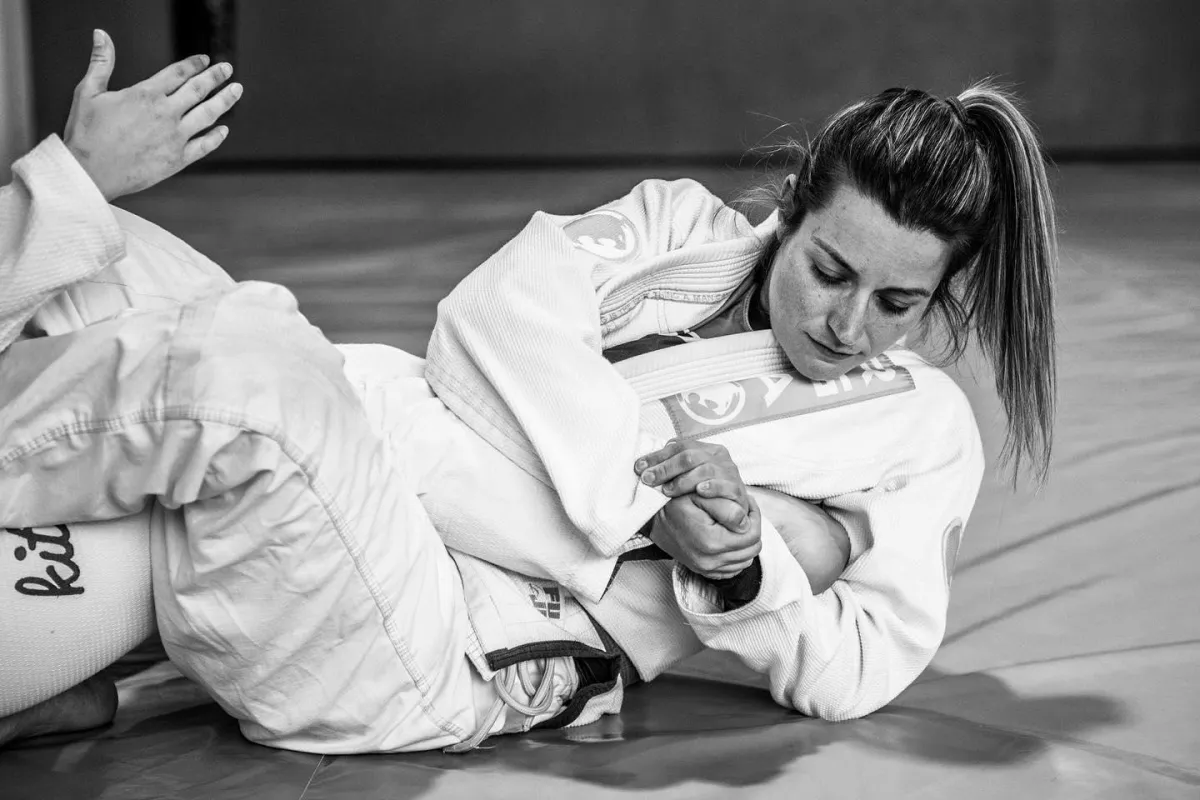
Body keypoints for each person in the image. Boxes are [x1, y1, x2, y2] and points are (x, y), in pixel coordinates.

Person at [0, 27, 1057, 753]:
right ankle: (66, 667)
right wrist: (643, 518)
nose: (847, 324)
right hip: (357, 483)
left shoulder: (916, 432)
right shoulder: (671, 231)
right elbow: (485, 322)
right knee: (102, 248)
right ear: (790, 207)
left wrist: (741, 569)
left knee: (243, 367)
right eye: (830, 270)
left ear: (941, 295)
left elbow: (859, 665)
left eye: (898, 303)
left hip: (438, 641)